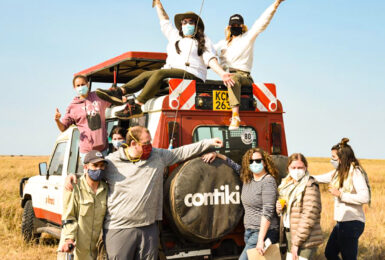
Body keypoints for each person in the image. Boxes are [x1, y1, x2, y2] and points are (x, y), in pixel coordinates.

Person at [65, 125, 223, 259]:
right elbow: (94, 173)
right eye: (146, 144)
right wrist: (74, 176)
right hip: (119, 229)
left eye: (150, 143)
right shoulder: (113, 162)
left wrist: (208, 143)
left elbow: (181, 152)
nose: (150, 147)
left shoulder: (158, 156)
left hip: (148, 228)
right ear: (133, 144)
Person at [95, 0, 234, 119]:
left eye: (190, 22)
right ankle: (119, 92)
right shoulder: (175, 37)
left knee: (160, 73)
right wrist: (158, 5)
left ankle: (137, 105)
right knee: (147, 74)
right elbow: (164, 22)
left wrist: (222, 73)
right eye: (184, 22)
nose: (187, 25)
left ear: (196, 25)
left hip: (193, 75)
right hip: (171, 72)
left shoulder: (203, 40)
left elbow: (210, 59)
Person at [214, 0, 285, 130]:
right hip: (226, 77)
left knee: (233, 78)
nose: (236, 26)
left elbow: (261, 23)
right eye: (233, 25)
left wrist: (275, 4)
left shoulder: (247, 38)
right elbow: (208, 54)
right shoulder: (221, 44)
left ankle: (235, 116)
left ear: (242, 26)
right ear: (229, 27)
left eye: (238, 24)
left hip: (242, 76)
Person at [202, 148, 279, 259]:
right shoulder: (247, 178)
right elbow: (233, 164)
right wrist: (216, 154)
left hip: (264, 232)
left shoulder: (268, 181)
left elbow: (268, 211)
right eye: (251, 161)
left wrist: (261, 240)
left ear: (265, 162)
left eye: (258, 161)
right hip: (249, 232)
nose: (254, 164)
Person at [312, 138, 371, 260]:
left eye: (333, 157)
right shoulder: (339, 172)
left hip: (352, 222)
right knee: (330, 253)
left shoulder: (355, 172)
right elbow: (319, 178)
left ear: (342, 158)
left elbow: (365, 197)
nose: (331, 160)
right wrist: (303, 176)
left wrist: (341, 195)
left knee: (348, 257)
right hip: (341, 223)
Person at [58, 150, 108, 260]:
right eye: (94, 165)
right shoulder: (73, 187)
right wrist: (69, 240)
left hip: (92, 252)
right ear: (85, 167)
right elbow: (69, 217)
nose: (99, 169)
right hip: (74, 250)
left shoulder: (106, 189)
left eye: (101, 166)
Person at [276, 153, 323, 260]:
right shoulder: (287, 185)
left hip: (305, 238)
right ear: (288, 168)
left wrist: (296, 243)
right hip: (290, 234)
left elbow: (309, 216)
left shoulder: (310, 186)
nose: (296, 170)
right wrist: (279, 208)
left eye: (300, 167)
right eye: (293, 167)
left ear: (305, 167)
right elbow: (288, 211)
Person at [55, 75, 111, 160]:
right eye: (78, 85)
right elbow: (63, 128)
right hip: (86, 151)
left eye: (83, 84)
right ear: (74, 88)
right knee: (89, 173)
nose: (81, 87)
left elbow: (113, 99)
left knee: (104, 173)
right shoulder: (73, 106)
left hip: (102, 149)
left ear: (87, 84)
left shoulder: (99, 96)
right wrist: (57, 120)